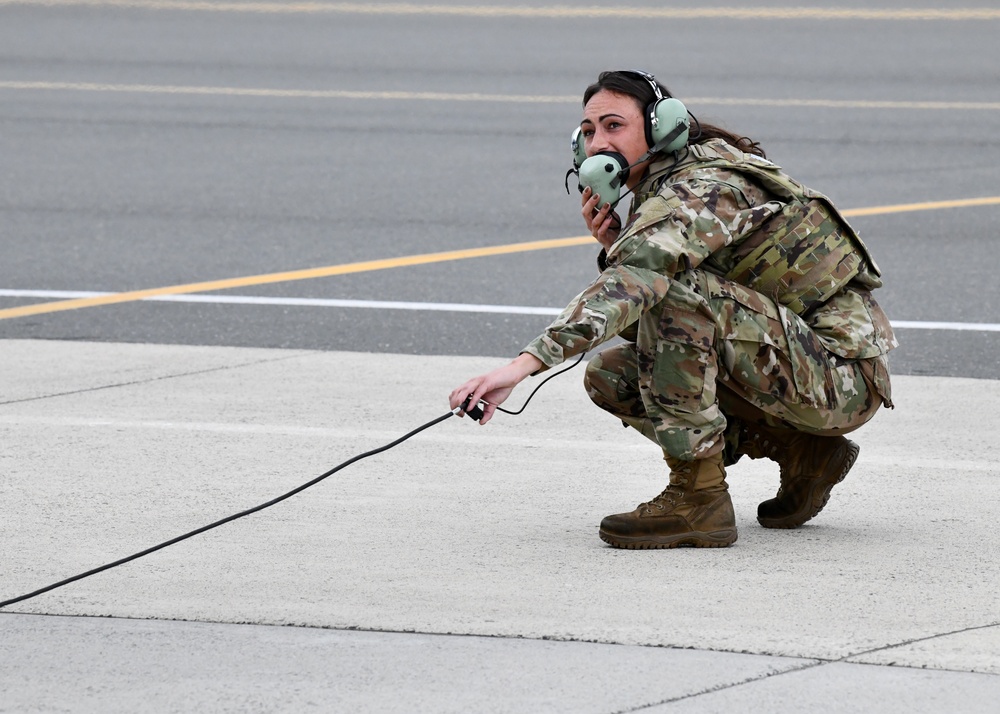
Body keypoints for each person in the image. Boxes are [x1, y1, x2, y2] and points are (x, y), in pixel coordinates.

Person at [449, 70, 896, 549]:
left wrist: (521, 367)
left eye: (614, 125)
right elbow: (646, 294)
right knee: (613, 374)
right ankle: (802, 452)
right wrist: (617, 243)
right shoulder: (666, 185)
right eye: (588, 130)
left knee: (673, 296)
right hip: (797, 367)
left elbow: (642, 282)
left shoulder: (702, 186)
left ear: (661, 127)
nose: (598, 142)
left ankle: (698, 498)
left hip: (840, 379)